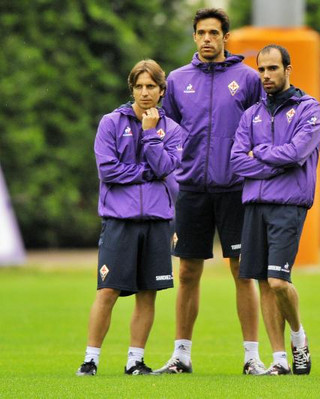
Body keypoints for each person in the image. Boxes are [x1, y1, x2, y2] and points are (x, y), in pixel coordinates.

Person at [154, 8, 264, 375]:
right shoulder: (177, 80)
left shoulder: (248, 79)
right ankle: (181, 355)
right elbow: (165, 131)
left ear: (225, 37)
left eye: (213, 33)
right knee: (186, 271)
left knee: (242, 271)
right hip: (191, 190)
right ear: (194, 37)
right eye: (201, 32)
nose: (206, 39)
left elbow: (260, 128)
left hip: (235, 188)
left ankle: (252, 356)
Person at [76, 59, 183, 376]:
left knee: (147, 293)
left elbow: (166, 168)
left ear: (161, 91)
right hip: (119, 221)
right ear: (132, 89)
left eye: (151, 86)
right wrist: (145, 174)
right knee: (107, 291)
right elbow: (107, 170)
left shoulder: (173, 130)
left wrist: (150, 136)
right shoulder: (110, 123)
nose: (145, 92)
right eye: (139, 86)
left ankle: (135, 361)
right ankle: (91, 359)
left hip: (156, 221)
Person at [230, 44, 320, 376]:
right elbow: (238, 161)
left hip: (288, 205)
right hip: (255, 205)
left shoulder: (309, 109)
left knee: (278, 281)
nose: (266, 75)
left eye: (272, 68)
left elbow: (297, 154)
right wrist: (273, 160)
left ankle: (298, 337)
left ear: (288, 69)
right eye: (262, 70)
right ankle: (280, 359)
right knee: (262, 283)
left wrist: (261, 155)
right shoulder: (250, 114)